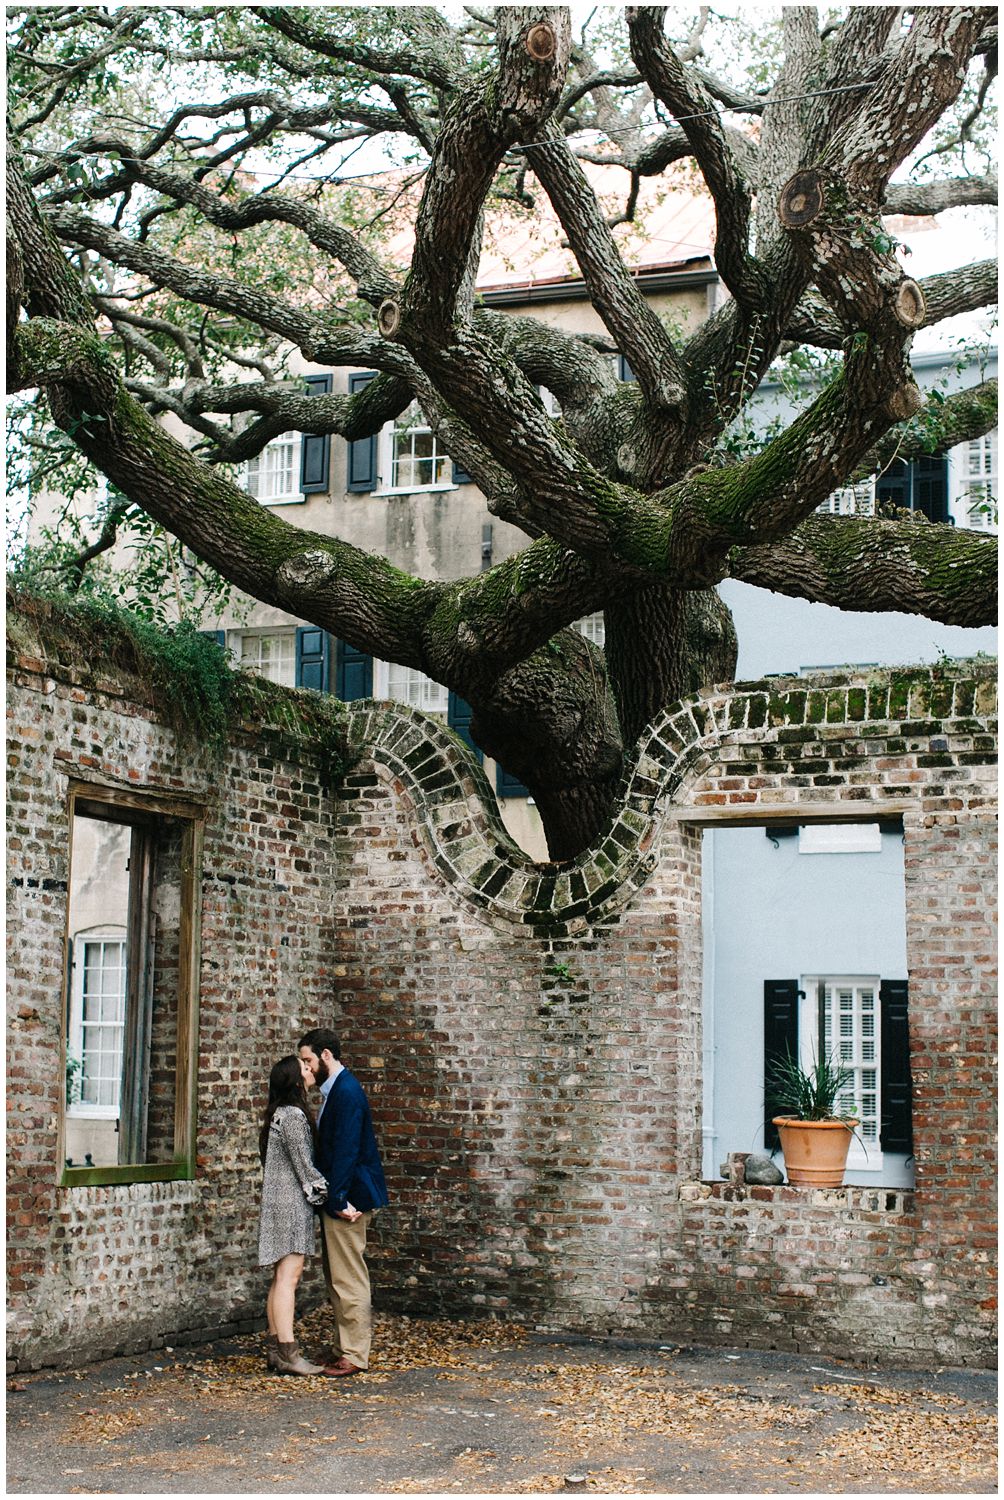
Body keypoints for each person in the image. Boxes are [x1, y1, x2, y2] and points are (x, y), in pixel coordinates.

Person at [297, 1027, 389, 1377]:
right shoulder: (336, 1090)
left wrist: (336, 1199)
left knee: (349, 1276)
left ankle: (354, 1353)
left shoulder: (346, 1092)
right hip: (342, 1196)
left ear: (325, 1056)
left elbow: (348, 1150)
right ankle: (343, 1347)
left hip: (348, 1199)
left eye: (308, 1060)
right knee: (338, 1276)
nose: (306, 1068)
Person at [257, 1055, 329, 1376]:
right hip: (291, 1205)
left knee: (279, 1278)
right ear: (295, 1080)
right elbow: (304, 1167)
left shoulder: (277, 1115)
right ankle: (289, 1353)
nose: (308, 1069)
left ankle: (275, 1349)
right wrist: (328, 1193)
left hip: (275, 1202)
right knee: (290, 1278)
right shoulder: (294, 1116)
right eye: (303, 1067)